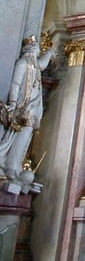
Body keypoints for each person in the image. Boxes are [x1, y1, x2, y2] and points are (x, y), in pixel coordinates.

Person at [0, 34, 54, 183]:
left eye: (37, 48)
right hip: (23, 107)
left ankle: (15, 164)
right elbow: (16, 84)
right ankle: (11, 165)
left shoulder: (35, 65)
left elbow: (42, 64)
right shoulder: (23, 63)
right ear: (29, 49)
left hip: (34, 107)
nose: (37, 50)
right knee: (20, 133)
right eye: (35, 47)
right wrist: (12, 103)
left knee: (27, 135)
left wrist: (49, 53)